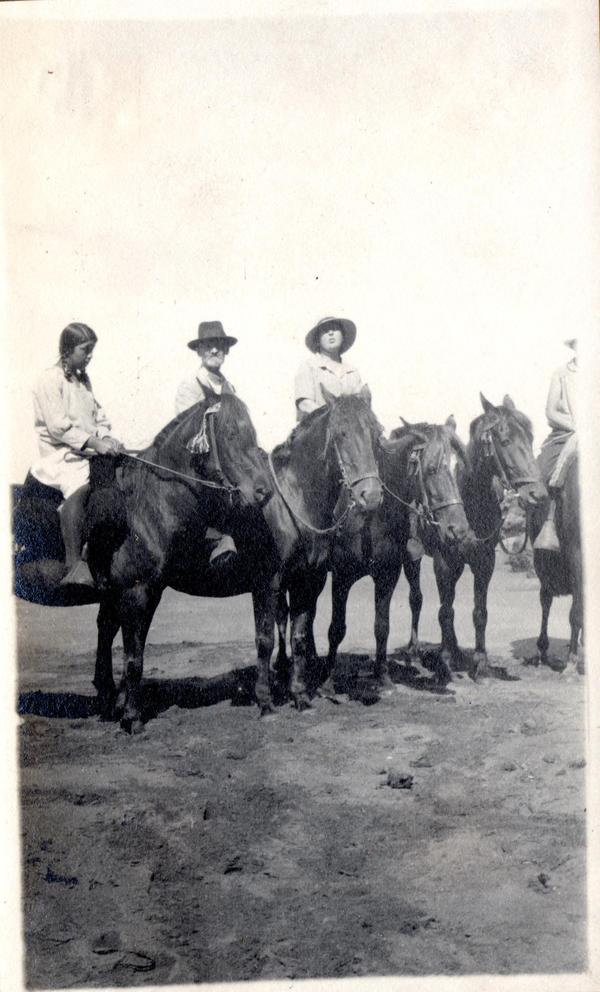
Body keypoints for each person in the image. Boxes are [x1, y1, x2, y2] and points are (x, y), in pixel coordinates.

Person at [294, 316, 423, 559]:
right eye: (325, 331)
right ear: (318, 339)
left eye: (335, 330)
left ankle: (403, 532)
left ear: (343, 337)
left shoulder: (352, 371)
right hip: (319, 437)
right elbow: (304, 403)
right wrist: (332, 420)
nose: (331, 334)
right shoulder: (309, 367)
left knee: (385, 464)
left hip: (349, 437)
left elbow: (360, 406)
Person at [28, 322, 124, 588]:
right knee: (84, 485)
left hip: (84, 451)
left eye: (92, 349)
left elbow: (99, 416)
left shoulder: (84, 381)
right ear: (68, 350)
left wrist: (106, 437)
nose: (90, 355)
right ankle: (73, 564)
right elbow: (58, 427)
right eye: (86, 349)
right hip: (59, 456)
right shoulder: (49, 379)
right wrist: (94, 442)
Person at [175, 321, 239, 569]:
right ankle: (216, 540)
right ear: (200, 351)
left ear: (225, 351)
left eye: (219, 346)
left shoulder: (228, 387)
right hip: (199, 457)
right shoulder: (191, 384)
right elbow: (187, 431)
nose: (214, 351)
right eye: (208, 346)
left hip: (226, 457)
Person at [534, 338, 578, 552]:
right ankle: (547, 522)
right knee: (542, 469)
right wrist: (576, 425)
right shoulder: (562, 374)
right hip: (568, 430)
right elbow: (550, 411)